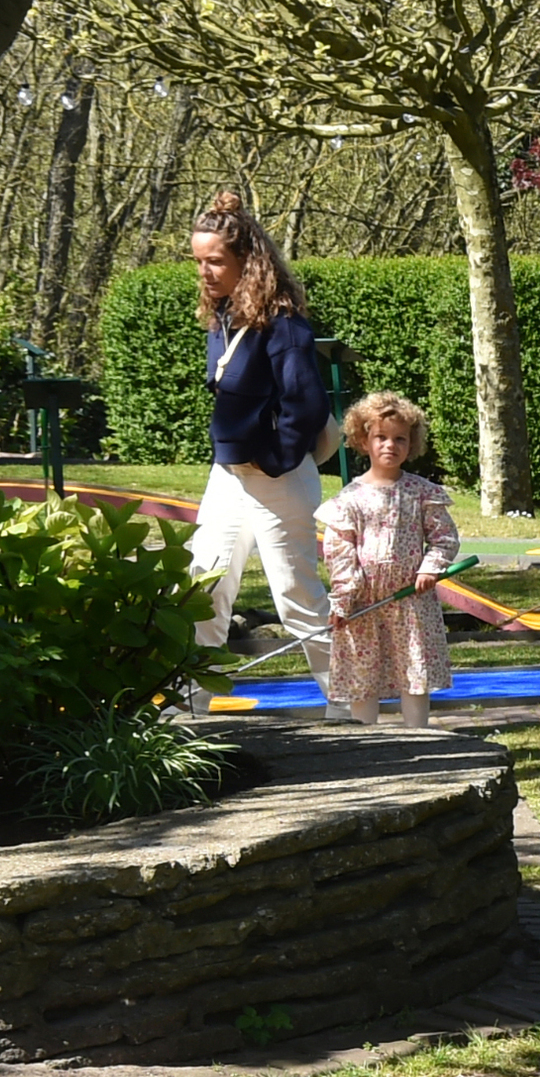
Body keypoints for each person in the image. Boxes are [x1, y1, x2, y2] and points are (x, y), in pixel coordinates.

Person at [183, 194, 338, 703]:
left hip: (277, 481)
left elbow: (306, 404)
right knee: (203, 585)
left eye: (215, 261)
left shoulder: (284, 324)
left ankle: (348, 704)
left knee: (295, 596)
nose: (205, 272)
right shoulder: (222, 317)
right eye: (198, 261)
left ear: (246, 261)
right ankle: (191, 705)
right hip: (228, 477)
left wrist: (275, 460)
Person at [317, 392, 460, 730]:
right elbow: (339, 553)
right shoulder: (348, 499)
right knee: (362, 674)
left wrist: (430, 568)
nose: (390, 446)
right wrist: (344, 599)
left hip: (410, 601)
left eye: (400, 439)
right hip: (364, 604)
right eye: (380, 437)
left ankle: (417, 733)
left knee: (414, 670)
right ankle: (364, 738)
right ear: (363, 440)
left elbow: (444, 538)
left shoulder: (422, 492)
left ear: (412, 444)